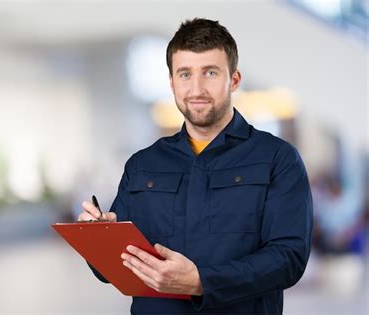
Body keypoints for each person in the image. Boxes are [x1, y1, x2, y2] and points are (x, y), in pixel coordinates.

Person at [78, 18, 313, 315]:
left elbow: (288, 258)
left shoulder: (277, 159)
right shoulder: (142, 165)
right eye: (185, 74)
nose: (196, 88)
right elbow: (112, 270)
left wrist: (202, 282)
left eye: (210, 73)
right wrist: (100, 238)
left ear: (235, 79)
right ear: (172, 82)